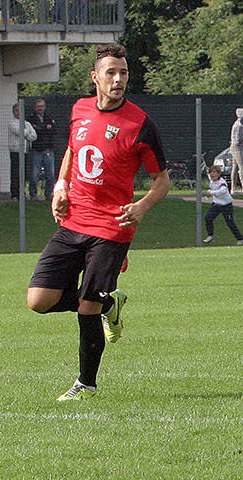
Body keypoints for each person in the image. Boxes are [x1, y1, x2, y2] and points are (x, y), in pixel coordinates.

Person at [26, 42, 170, 401]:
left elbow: (161, 180)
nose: (118, 79)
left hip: (112, 228)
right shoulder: (80, 109)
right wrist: (61, 186)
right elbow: (74, 150)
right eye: (111, 72)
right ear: (95, 77)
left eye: (123, 72)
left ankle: (86, 385)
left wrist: (141, 207)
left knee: (85, 306)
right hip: (73, 221)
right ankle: (109, 304)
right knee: (39, 300)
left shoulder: (140, 124)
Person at [203, 164, 243, 245]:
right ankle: (210, 236)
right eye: (211, 172)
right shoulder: (211, 182)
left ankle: (240, 239)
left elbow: (222, 191)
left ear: (219, 174)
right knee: (208, 218)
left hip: (226, 205)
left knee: (230, 223)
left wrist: (211, 193)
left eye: (214, 172)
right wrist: (208, 196)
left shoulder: (222, 182)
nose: (212, 174)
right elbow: (214, 192)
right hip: (216, 204)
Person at [27, 99, 58, 201]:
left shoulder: (49, 117)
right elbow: (33, 131)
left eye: (42, 106)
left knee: (50, 174)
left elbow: (54, 130)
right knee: (34, 174)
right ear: (35, 108)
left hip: (48, 149)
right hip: (37, 149)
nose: (40, 108)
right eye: (38, 106)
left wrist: (42, 128)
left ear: (45, 107)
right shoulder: (31, 118)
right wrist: (46, 128)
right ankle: (33, 195)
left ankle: (48, 194)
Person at [9, 103, 38, 200]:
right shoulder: (12, 122)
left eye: (20, 110)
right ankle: (14, 194)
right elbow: (20, 132)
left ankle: (22, 193)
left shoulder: (26, 123)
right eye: (16, 111)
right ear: (14, 112)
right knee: (15, 173)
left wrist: (26, 132)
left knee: (23, 173)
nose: (18, 113)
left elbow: (34, 136)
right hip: (15, 151)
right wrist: (27, 132)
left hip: (24, 151)